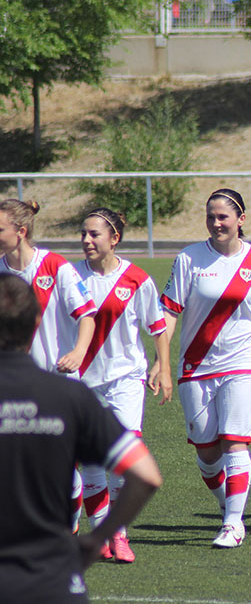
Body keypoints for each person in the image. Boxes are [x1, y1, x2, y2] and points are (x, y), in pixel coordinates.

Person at [0, 273, 162, 603]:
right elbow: (146, 475)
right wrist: (96, 538)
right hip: (54, 580)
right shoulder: (70, 397)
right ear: (36, 323)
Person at [160, 188, 251, 548]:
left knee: (233, 441)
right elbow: (170, 311)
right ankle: (229, 506)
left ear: (241, 220)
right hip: (196, 364)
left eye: (223, 216)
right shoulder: (189, 258)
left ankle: (233, 523)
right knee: (207, 452)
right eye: (210, 216)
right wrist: (161, 360)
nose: (216, 223)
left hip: (243, 361)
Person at [74, 208, 172, 564]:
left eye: (94, 234)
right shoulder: (69, 277)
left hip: (126, 381)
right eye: (83, 234)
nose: (86, 240)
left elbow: (157, 326)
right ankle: (101, 534)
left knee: (122, 459)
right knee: (92, 463)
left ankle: (120, 535)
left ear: (114, 238)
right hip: (82, 383)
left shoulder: (137, 279)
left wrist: (163, 367)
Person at [0, 198, 97, 532]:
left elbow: (87, 316)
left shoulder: (56, 267)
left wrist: (78, 352)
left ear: (21, 231)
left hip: (56, 381)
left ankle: (66, 527)